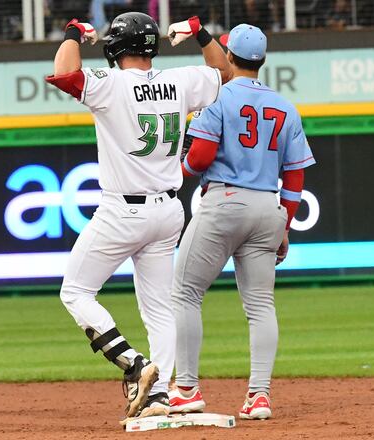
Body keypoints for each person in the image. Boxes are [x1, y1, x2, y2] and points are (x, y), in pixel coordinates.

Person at [45, 13, 231, 422]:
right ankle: (159, 395)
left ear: (115, 48)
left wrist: (74, 32)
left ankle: (132, 364)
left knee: (75, 291)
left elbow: (64, 72)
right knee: (160, 309)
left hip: (122, 211)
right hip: (168, 210)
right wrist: (200, 32)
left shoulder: (110, 84)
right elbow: (224, 70)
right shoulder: (181, 81)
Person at [167, 23, 315, 420]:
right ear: (262, 60)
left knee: (184, 293)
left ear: (229, 56)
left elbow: (199, 158)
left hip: (225, 201)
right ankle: (259, 396)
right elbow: (296, 174)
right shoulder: (285, 105)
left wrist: (178, 167)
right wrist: (285, 226)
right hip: (268, 206)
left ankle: (185, 389)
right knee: (261, 306)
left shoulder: (218, 94)